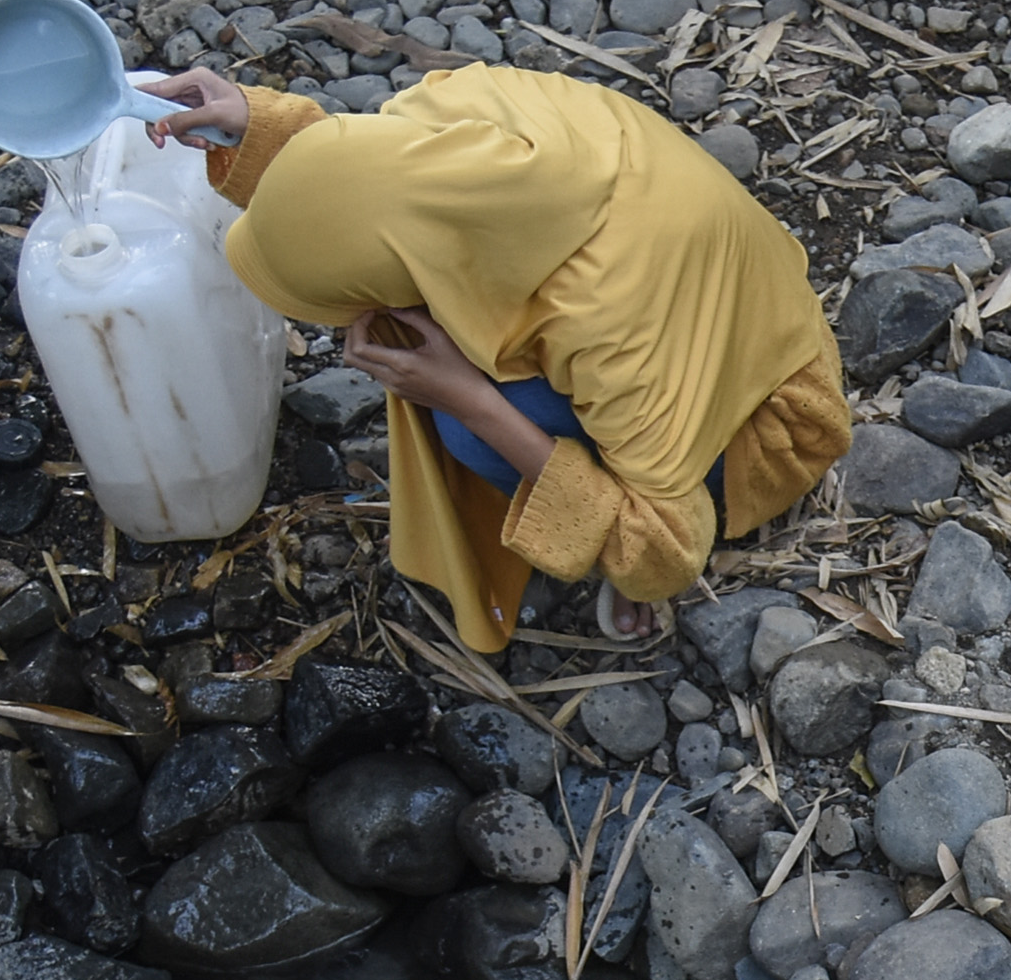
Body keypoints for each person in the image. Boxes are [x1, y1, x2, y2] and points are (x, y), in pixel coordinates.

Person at [139, 63, 848, 656]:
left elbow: (667, 548)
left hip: (769, 412)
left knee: (466, 428)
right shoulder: (449, 106)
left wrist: (468, 398)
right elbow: (372, 169)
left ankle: (604, 485)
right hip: (719, 298)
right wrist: (257, 128)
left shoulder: (605, 324)